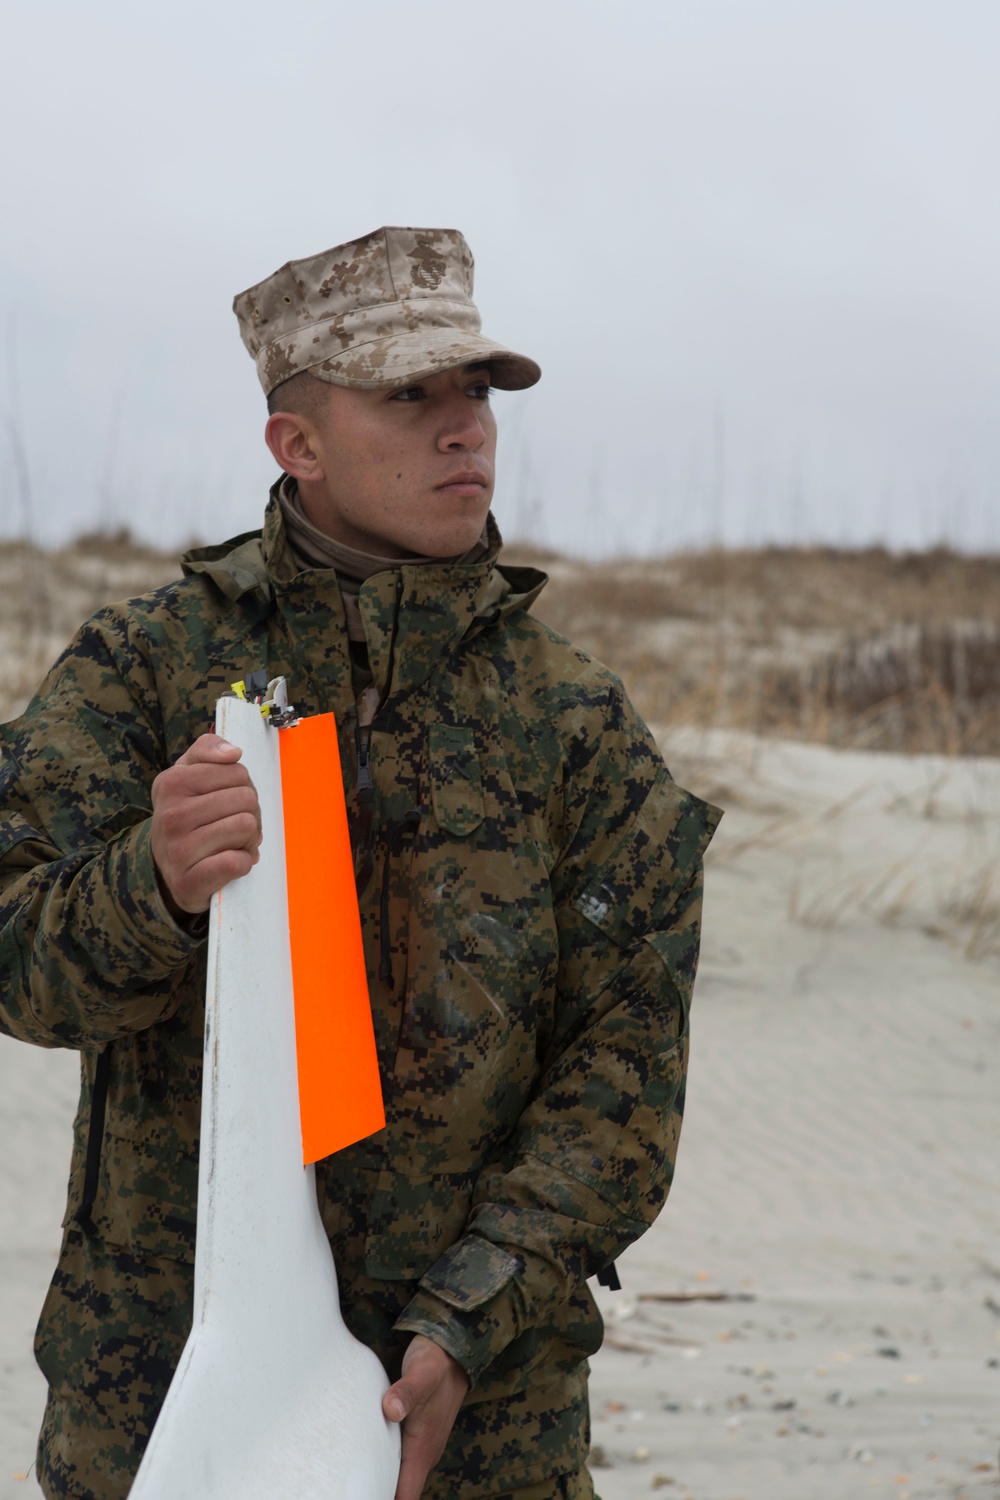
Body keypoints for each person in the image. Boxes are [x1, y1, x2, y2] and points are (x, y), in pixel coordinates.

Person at [0, 226, 720, 1500]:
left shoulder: (577, 722)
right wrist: (148, 888)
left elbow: (624, 1073)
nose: (465, 430)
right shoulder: (143, 669)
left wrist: (467, 1320)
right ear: (298, 444)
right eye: (410, 393)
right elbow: (18, 970)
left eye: (477, 393)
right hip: (169, 1404)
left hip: (483, 1423)